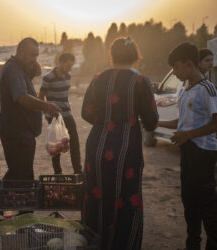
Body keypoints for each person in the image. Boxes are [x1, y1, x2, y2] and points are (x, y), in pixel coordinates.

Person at [81, 37, 158, 250]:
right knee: (127, 198)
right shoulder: (141, 81)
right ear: (135, 56)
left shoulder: (98, 78)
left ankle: (94, 244)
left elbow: (85, 112)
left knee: (95, 197)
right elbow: (152, 121)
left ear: (111, 55)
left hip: (96, 147)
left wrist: (106, 121)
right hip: (127, 149)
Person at [158, 43, 217, 250]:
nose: (174, 72)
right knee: (189, 203)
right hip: (188, 153)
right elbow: (181, 121)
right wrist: (155, 123)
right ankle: (192, 244)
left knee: (207, 206)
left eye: (175, 67)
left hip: (203, 153)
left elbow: (215, 122)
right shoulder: (185, 90)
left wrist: (188, 135)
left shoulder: (207, 89)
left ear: (189, 64)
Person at [0, 37, 60, 183]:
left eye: (37, 55)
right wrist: (46, 106)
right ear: (20, 52)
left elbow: (36, 72)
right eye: (32, 55)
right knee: (21, 177)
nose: (35, 59)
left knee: (18, 175)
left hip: (23, 132)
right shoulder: (13, 69)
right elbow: (21, 97)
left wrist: (34, 67)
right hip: (16, 133)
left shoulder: (19, 68)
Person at [38, 53, 82, 175]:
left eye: (71, 66)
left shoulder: (68, 76)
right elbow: (41, 97)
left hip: (67, 113)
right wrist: (45, 113)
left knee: (74, 141)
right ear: (61, 62)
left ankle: (78, 171)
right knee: (57, 143)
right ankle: (58, 172)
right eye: (68, 65)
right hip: (53, 115)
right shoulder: (48, 77)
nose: (69, 68)